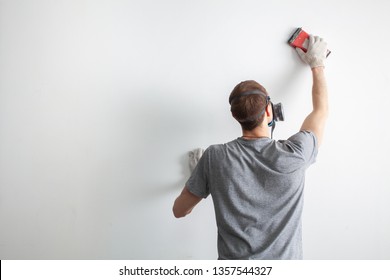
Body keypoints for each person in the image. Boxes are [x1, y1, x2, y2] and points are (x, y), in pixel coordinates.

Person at [172, 35, 329, 259]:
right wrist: (317, 63)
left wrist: (202, 176)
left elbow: (179, 210)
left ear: (235, 116)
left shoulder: (214, 157)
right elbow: (320, 111)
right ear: (268, 111)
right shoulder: (295, 153)